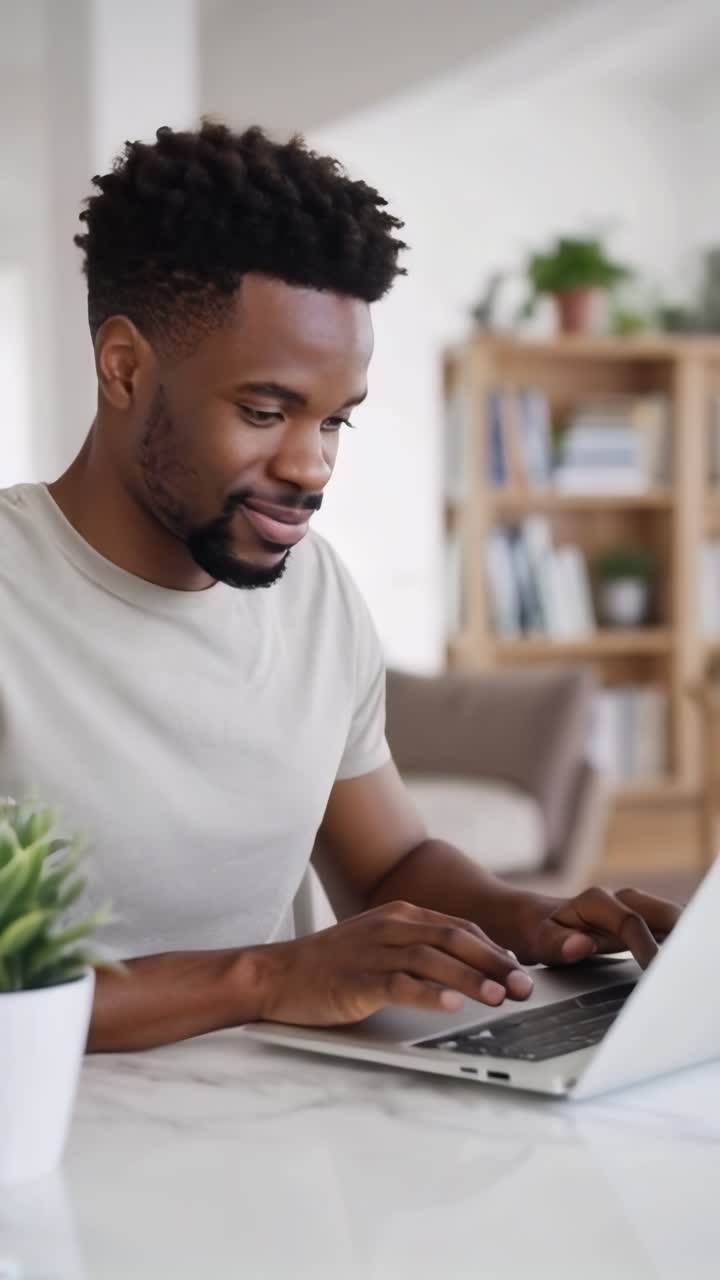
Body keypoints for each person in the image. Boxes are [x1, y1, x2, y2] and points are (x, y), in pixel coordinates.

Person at [0, 121, 680, 1052]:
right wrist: (268, 975)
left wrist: (531, 923)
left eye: (335, 423)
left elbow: (389, 858)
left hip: (294, 1134)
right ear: (124, 368)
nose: (313, 466)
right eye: (266, 411)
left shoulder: (312, 592)